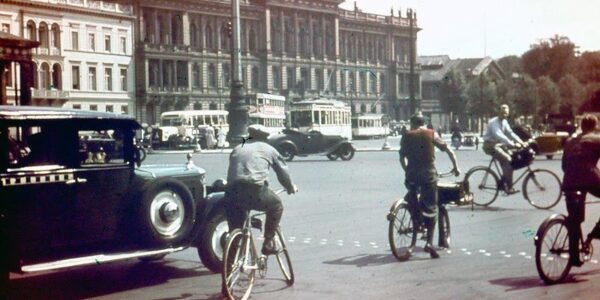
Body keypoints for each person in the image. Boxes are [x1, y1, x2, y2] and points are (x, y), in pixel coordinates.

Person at [224, 124, 297, 255]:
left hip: (231, 192)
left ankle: (229, 264)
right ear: (265, 138)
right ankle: (268, 242)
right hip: (254, 191)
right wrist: (290, 187)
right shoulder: (269, 149)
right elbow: (283, 173)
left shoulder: (237, 148)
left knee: (235, 229)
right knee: (276, 205)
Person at [399, 112, 460, 259]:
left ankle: (415, 219)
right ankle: (429, 243)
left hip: (412, 176)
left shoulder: (407, 135)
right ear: (423, 124)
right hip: (428, 176)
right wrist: (456, 167)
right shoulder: (431, 134)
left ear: (412, 124)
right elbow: (449, 151)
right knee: (432, 208)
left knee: (412, 197)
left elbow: (402, 158)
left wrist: (407, 171)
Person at [561, 114, 600, 267]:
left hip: (569, 181)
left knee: (574, 219)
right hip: (589, 178)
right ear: (595, 126)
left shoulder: (570, 141)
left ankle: (574, 257)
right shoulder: (597, 139)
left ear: (581, 126)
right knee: (576, 218)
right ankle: (596, 233)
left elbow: (564, 165)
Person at [482, 104, 525, 195]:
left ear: (508, 114)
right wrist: (512, 144)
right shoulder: (493, 122)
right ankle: (508, 187)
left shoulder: (504, 122)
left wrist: (521, 142)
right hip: (490, 145)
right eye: (502, 113)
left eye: (505, 113)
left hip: (498, 144)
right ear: (499, 112)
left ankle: (504, 181)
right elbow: (499, 135)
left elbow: (511, 133)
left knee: (512, 159)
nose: (503, 115)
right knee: (507, 159)